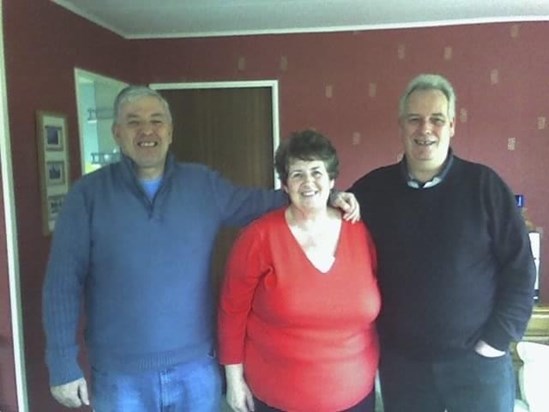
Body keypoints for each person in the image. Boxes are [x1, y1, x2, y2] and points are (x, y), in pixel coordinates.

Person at [42, 86, 360, 411]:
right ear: (117, 132)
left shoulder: (202, 185)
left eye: (156, 120)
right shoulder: (87, 195)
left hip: (195, 370)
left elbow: (260, 202)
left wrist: (325, 198)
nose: (147, 130)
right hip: (119, 376)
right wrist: (62, 362)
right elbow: (61, 283)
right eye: (134, 122)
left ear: (170, 130)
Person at [350, 73, 536, 412]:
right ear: (401, 126)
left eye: (436, 119)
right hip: (403, 367)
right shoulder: (370, 192)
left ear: (451, 125)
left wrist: (496, 341)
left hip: (478, 364)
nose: (425, 130)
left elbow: (521, 269)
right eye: (415, 120)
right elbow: (325, 220)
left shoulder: (485, 186)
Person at [218, 130, 381, 412]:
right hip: (278, 399)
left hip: (356, 397)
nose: (308, 182)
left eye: (317, 172)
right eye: (297, 174)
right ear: (284, 185)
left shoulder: (359, 231)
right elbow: (232, 312)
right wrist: (233, 381)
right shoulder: (258, 237)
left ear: (332, 180)